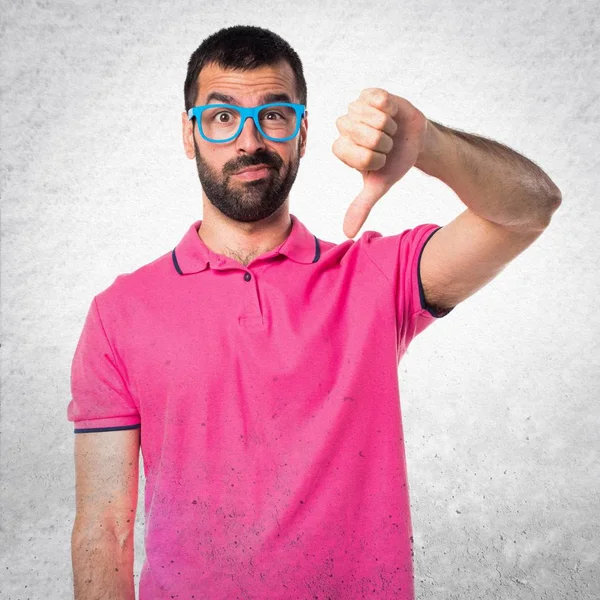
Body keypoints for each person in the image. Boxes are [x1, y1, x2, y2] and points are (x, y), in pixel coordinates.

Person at [68, 24, 561, 600]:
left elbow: (529, 209)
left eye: (274, 115)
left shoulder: (377, 277)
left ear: (301, 132)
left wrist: (432, 145)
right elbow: (105, 531)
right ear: (188, 133)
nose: (248, 140)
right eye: (222, 117)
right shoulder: (120, 313)